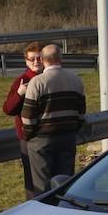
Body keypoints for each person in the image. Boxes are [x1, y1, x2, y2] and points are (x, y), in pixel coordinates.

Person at [20, 43, 86, 193]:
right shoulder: (76, 80)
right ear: (61, 59)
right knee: (64, 182)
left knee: (42, 186)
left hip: (42, 141)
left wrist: (30, 135)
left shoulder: (37, 82)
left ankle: (45, 214)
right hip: (67, 137)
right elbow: (81, 113)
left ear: (43, 60)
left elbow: (28, 116)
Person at [2, 41, 44, 199]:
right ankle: (33, 207)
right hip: (28, 138)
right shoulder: (22, 81)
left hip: (50, 135)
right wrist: (20, 93)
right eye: (32, 59)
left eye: (39, 58)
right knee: (32, 180)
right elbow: (8, 109)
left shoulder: (51, 77)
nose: (36, 62)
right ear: (26, 61)